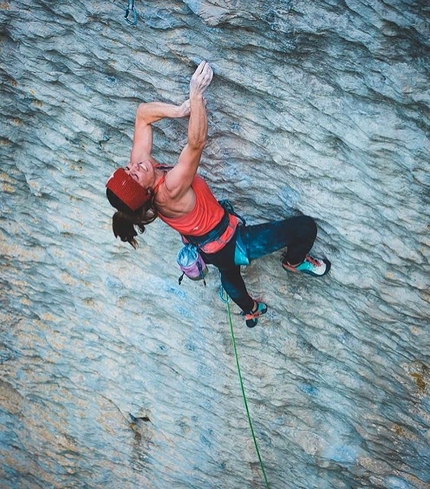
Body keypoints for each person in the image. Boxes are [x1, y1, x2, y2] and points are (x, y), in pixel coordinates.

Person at [106, 61, 330, 328]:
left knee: (228, 272)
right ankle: (294, 262)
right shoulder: (169, 189)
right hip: (228, 240)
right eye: (133, 174)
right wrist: (196, 95)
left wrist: (179, 111)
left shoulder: (142, 173)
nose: (135, 165)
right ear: (143, 192)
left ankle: (250, 309)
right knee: (304, 228)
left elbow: (142, 115)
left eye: (128, 168)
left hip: (204, 244)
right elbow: (197, 142)